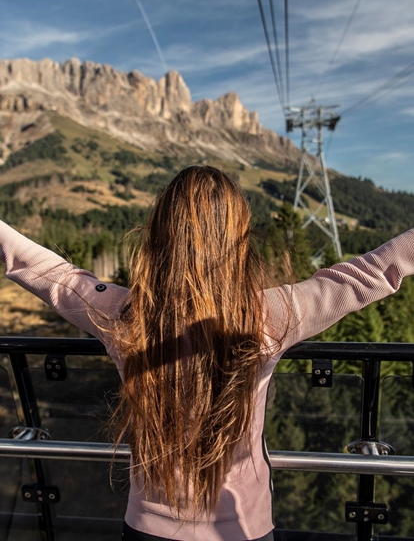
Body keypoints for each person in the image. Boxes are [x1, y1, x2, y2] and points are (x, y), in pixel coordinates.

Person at [0, 164, 414, 541]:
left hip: (145, 529)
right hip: (245, 530)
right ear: (238, 238)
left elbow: (43, 270)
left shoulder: (125, 314)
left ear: (161, 235)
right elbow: (370, 273)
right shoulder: (272, 314)